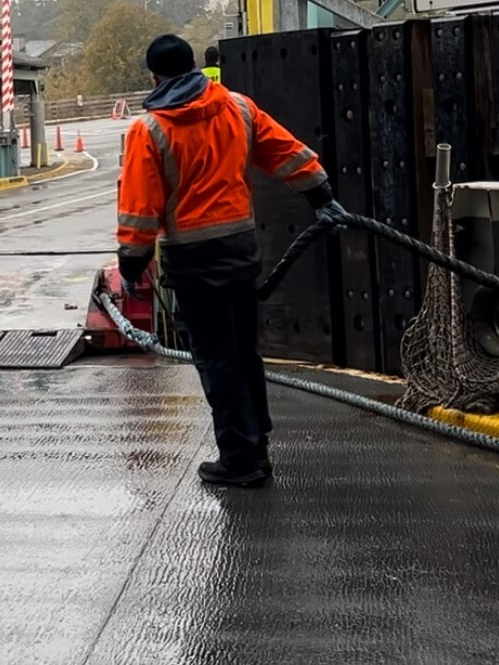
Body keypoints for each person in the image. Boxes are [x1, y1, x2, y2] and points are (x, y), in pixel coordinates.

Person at [116, 34, 345, 488]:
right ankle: (256, 445)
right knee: (243, 353)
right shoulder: (237, 107)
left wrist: (131, 264)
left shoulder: (150, 130)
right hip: (241, 250)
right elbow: (285, 151)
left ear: (154, 76)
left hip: (192, 259)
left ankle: (239, 460)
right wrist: (320, 193)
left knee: (216, 360)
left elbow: (140, 208)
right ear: (194, 68)